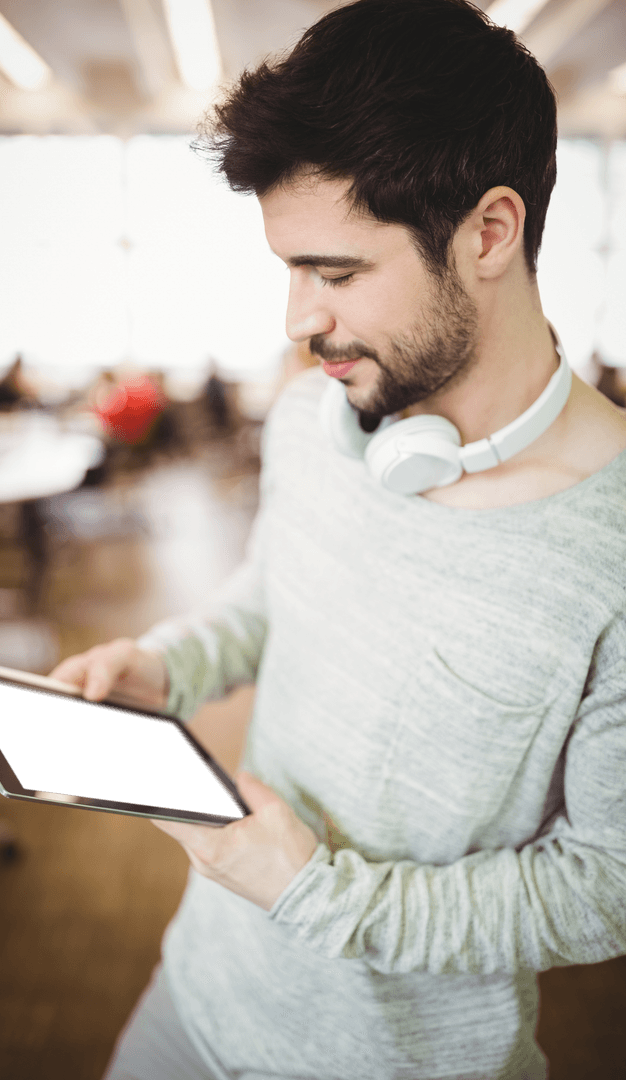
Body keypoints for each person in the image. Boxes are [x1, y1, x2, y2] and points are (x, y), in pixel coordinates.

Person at [51, 2, 626, 1076]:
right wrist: (167, 665)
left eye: (337, 272)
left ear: (489, 233)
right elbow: (272, 599)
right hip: (195, 995)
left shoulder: (614, 551)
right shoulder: (316, 422)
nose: (296, 320)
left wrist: (319, 896)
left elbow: (608, 884)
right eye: (290, 268)